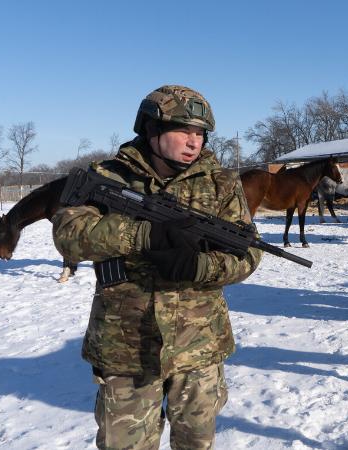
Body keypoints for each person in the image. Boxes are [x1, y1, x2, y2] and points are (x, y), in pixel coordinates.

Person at [52, 85, 262, 450]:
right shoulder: (107, 176)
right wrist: (142, 235)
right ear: (151, 129)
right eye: (183, 130)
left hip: (199, 346)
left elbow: (248, 254)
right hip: (126, 346)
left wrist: (202, 267)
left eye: (200, 134)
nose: (193, 142)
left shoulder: (222, 183)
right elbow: (68, 235)